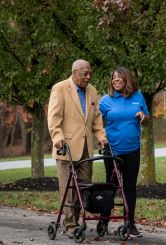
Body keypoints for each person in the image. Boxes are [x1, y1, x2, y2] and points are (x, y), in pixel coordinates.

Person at [47, 59, 107, 238]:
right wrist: (57, 138)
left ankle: (77, 222)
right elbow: (54, 117)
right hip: (66, 148)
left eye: (90, 74)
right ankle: (70, 225)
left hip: (86, 149)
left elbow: (96, 119)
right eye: (84, 74)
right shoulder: (60, 88)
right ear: (74, 73)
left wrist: (101, 137)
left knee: (83, 189)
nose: (88, 77)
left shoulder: (92, 91)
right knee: (68, 189)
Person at [99, 67, 150, 238]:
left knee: (129, 188)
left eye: (119, 77)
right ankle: (104, 221)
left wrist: (144, 117)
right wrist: (100, 137)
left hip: (132, 150)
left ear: (127, 79)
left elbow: (147, 120)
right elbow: (96, 124)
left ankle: (130, 224)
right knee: (110, 186)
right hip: (112, 150)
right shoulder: (106, 100)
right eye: (113, 77)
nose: (115, 80)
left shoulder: (138, 96)